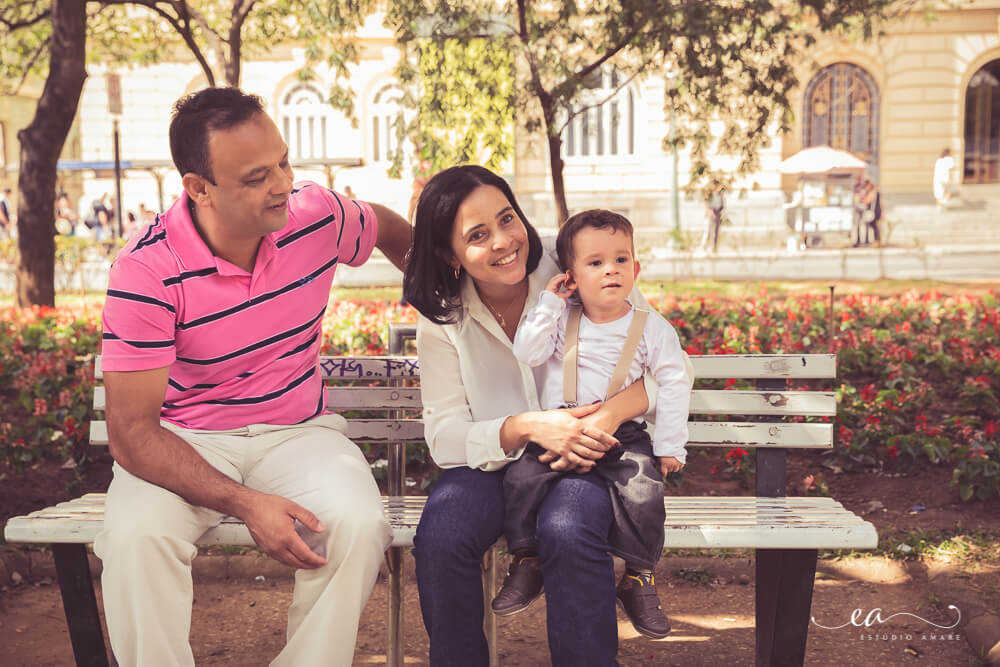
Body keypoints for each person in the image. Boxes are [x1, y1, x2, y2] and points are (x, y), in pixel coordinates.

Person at [96, 87, 412, 667]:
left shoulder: (316, 217)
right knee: (136, 540)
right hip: (183, 439)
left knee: (359, 523)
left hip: (299, 432)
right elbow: (133, 435)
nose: (283, 184)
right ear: (198, 187)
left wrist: (440, 297)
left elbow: (388, 228)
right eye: (256, 176)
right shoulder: (146, 270)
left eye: (285, 162)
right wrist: (246, 503)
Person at [402, 165, 686, 665]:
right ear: (450, 254)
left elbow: (666, 367)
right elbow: (445, 435)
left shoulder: (579, 261)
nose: (505, 241)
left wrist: (604, 419)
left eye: (507, 218)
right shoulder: (443, 313)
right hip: (498, 459)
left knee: (569, 527)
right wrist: (528, 426)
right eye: (477, 235)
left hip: (587, 453)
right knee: (442, 535)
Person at [493, 209, 690, 640]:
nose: (611, 271)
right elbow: (527, 353)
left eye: (621, 260)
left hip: (624, 436)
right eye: (595, 263)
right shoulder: (562, 318)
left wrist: (670, 445)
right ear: (572, 277)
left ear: (636, 268)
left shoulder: (651, 328)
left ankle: (639, 576)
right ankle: (528, 560)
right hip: (559, 429)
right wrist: (550, 303)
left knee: (644, 488)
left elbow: (674, 379)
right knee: (522, 477)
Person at [702, 186, 725, 253]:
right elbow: (705, 203)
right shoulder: (709, 194)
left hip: (717, 214)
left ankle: (714, 247)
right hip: (709, 214)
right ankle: (705, 245)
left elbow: (722, 205)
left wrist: (720, 213)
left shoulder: (721, 196)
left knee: (716, 232)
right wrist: (709, 211)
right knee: (708, 231)